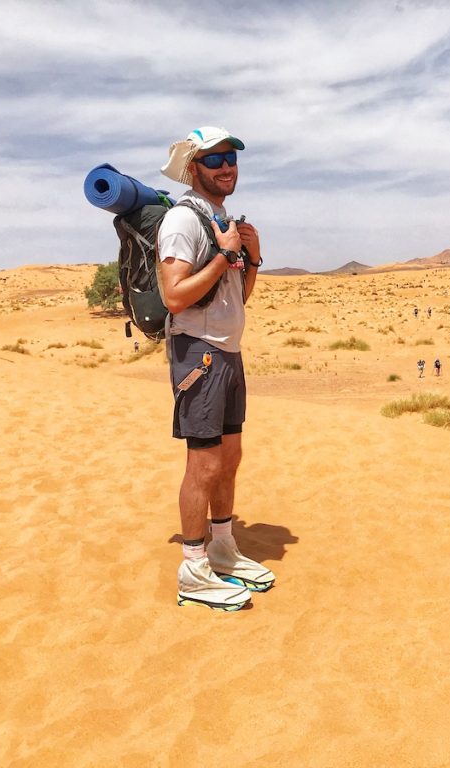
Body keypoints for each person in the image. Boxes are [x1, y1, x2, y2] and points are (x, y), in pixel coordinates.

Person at [157, 125, 275, 611]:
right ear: (192, 169)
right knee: (203, 464)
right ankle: (193, 569)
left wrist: (251, 258)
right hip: (199, 354)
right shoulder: (184, 221)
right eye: (214, 159)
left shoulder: (220, 217)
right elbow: (174, 295)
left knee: (229, 458)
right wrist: (226, 253)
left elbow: (237, 296)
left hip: (228, 352)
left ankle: (223, 549)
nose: (226, 166)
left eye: (231, 158)